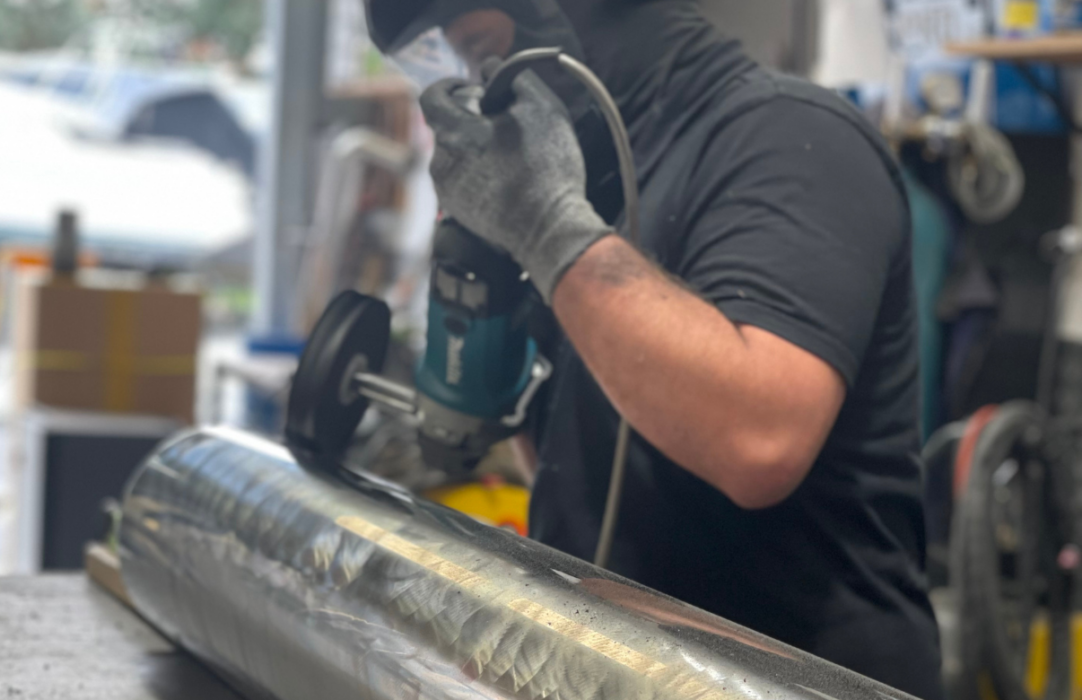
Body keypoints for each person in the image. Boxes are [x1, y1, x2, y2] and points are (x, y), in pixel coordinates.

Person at [365, 1, 944, 697]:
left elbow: (758, 440)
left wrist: (546, 225)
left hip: (793, 677)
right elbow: (591, 463)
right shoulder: (597, 173)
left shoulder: (791, 139)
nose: (477, 79)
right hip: (627, 670)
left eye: (482, 46)